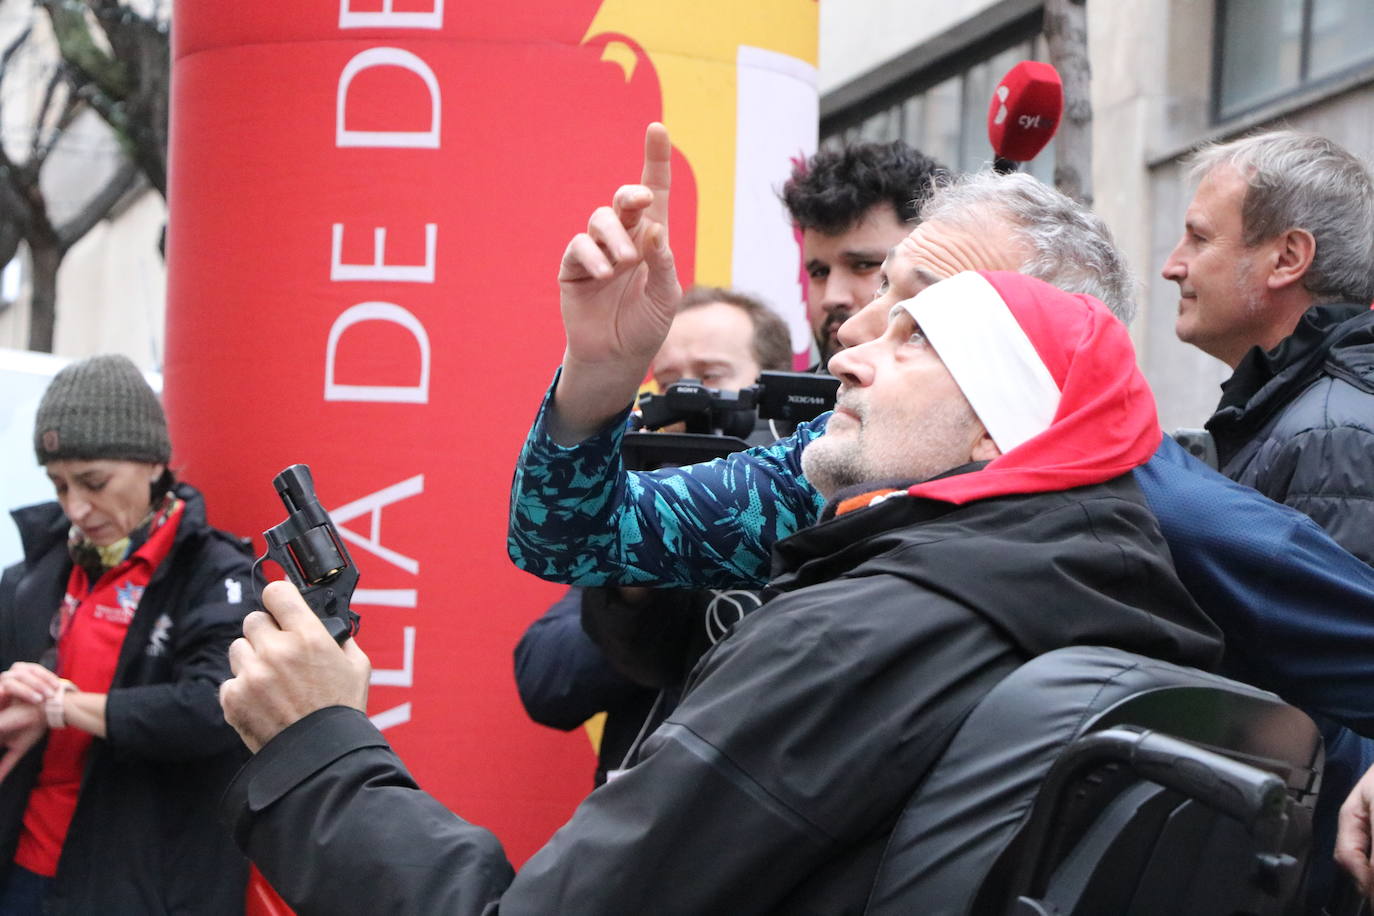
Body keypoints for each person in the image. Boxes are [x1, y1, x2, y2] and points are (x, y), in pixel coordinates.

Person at [506, 124, 1374, 908]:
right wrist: (601, 377)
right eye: (886, 290)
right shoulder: (839, 458)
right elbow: (571, 536)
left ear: (1046, 348)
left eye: (927, 315)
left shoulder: (1162, 505)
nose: (855, 329)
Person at [218, 263, 1223, 914]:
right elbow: (572, 533)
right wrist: (600, 374)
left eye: (916, 336)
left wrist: (318, 748)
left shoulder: (859, 635)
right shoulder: (1117, 601)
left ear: (1000, 436)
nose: (849, 351)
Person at [0, 354, 252, 914]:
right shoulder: (32, 575)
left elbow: (213, 709)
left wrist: (64, 707)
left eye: (94, 482)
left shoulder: (216, 574)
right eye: (59, 485)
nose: (76, 507)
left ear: (155, 463)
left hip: (140, 887)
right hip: (25, 867)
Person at [515, 286, 787, 785]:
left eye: (709, 378)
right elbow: (547, 681)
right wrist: (641, 584)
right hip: (641, 805)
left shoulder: (811, 500)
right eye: (668, 382)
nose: (687, 398)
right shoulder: (633, 506)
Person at [1161, 129, 1374, 563]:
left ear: (1288, 258)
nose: (1172, 267)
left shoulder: (1330, 435)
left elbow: (1324, 627)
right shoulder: (1302, 416)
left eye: (1199, 238)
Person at [782, 140, 946, 364]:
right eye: (819, 272)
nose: (832, 298)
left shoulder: (993, 393)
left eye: (863, 265)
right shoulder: (775, 397)